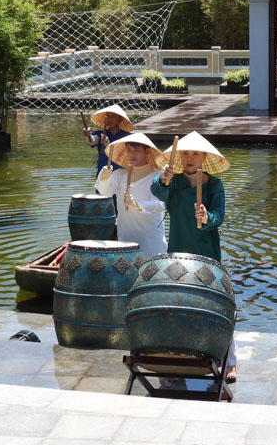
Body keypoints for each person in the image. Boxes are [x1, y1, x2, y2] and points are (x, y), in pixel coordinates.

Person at [151, 130, 236, 381]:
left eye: (195, 153)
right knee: (178, 305)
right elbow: (159, 192)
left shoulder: (214, 185)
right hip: (177, 251)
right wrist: (163, 178)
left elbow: (219, 216)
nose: (189, 158)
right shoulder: (174, 181)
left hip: (206, 252)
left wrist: (207, 217)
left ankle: (229, 361)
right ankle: (177, 360)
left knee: (219, 307)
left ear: (203, 158)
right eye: (185, 153)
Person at [95, 133, 167, 258]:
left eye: (137, 150)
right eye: (129, 150)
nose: (132, 154)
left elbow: (160, 205)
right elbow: (104, 192)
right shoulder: (119, 174)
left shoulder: (158, 175)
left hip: (152, 240)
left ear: (146, 151)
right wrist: (104, 177)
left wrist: (136, 205)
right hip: (126, 237)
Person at [83, 104, 133, 185]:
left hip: (122, 177)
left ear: (120, 119)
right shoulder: (100, 134)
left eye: (114, 116)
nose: (110, 119)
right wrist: (87, 135)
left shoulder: (128, 137)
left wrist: (107, 144)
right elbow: (92, 141)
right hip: (103, 177)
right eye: (108, 116)